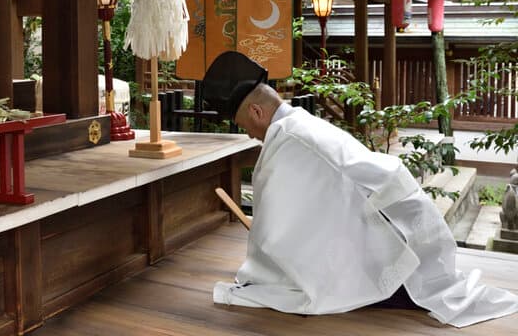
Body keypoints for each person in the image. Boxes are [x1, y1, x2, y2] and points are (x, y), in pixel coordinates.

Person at [201, 51, 518, 327]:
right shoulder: (302, 123)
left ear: (256, 112)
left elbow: (269, 231)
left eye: (246, 126)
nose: (252, 135)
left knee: (300, 284)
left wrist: (254, 275)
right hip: (415, 241)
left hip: (393, 260)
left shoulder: (287, 140)